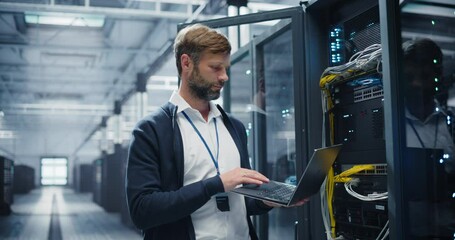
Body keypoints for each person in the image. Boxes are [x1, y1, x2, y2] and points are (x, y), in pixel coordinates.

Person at [126, 23, 307, 240]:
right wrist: (217, 184)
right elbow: (142, 211)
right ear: (186, 63)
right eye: (215, 67)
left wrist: (266, 200)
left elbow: (240, 201)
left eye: (226, 68)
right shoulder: (151, 130)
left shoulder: (234, 127)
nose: (224, 77)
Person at [403, 38, 455, 237]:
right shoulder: (388, 126)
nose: (417, 83)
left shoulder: (450, 124)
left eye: (424, 76)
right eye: (409, 77)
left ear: (438, 76)